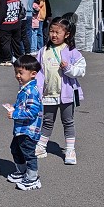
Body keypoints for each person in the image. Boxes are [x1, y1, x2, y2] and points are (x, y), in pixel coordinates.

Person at [35, 16, 86, 164]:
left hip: (67, 94)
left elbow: (81, 70)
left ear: (67, 34)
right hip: (48, 94)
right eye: (51, 31)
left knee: (68, 121)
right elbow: (37, 72)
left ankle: (70, 150)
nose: (54, 35)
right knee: (47, 121)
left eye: (57, 32)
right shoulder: (43, 51)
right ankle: (41, 146)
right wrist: (36, 90)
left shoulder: (71, 51)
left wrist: (69, 68)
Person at [2, 55, 44, 191]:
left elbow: (32, 112)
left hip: (29, 130)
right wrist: (14, 107)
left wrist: (15, 114)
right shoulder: (25, 89)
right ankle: (22, 171)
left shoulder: (31, 91)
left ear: (33, 74)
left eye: (21, 72)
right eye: (16, 72)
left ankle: (33, 178)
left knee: (28, 153)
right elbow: (24, 106)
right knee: (16, 148)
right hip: (21, 129)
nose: (18, 76)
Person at [0, 0, 23, 64]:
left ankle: (7, 59)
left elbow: (1, 14)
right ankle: (19, 57)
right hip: (16, 23)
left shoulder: (4, 0)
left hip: (6, 25)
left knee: (5, 43)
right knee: (16, 42)